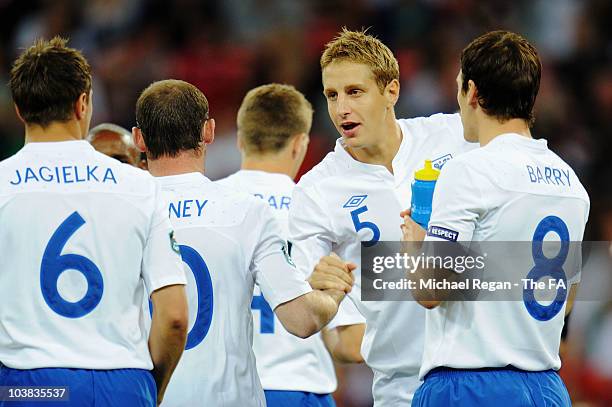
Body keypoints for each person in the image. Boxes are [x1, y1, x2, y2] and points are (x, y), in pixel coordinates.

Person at [132, 79, 353, 407]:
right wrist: (334, 291)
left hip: (146, 394)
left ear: (138, 138)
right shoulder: (248, 211)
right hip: (249, 392)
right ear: (209, 132)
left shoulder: (124, 210)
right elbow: (314, 326)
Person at [401, 30, 590, 406]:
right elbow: (567, 298)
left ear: (472, 91)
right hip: (547, 389)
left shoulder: (469, 171)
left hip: (470, 386)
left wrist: (414, 247)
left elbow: (430, 292)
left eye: (458, 89)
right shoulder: (572, 184)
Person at [289, 28, 475, 406]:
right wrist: (318, 291)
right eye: (331, 95)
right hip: (403, 390)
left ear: (391, 91)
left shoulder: (454, 135)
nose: (341, 108)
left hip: (481, 372)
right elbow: (315, 322)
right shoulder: (316, 190)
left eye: (355, 92)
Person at [0, 37, 188, 407]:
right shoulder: (140, 186)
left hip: (29, 386)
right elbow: (175, 317)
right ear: (83, 103)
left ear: (20, 109)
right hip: (122, 384)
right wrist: (151, 390)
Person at [217, 83, 338, 407]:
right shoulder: (321, 211)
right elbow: (350, 344)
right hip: (298, 384)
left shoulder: (211, 205)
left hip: (224, 388)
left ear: (241, 140)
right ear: (300, 144)